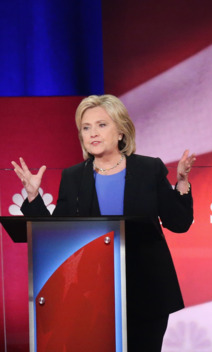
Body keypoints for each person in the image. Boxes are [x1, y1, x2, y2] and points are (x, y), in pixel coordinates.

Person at [12, 94, 196, 352]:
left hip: (146, 290)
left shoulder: (148, 169)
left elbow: (179, 222)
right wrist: (34, 197)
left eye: (101, 125)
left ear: (121, 132)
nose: (92, 133)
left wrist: (183, 181)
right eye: (86, 128)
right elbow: (59, 233)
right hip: (92, 294)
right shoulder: (74, 177)